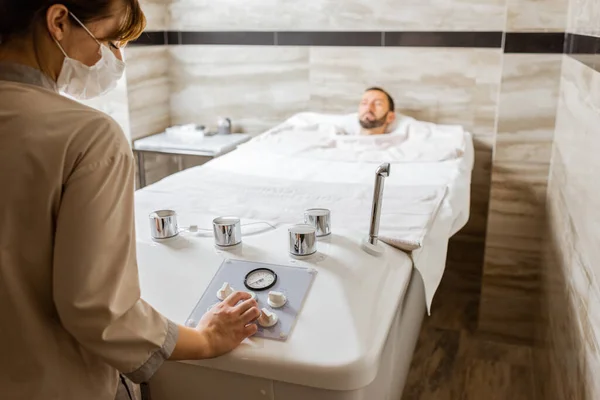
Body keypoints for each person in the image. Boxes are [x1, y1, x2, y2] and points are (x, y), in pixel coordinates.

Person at [0, 1, 260, 399]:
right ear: (58, 21)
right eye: (109, 41)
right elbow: (98, 310)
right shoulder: (86, 136)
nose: (116, 59)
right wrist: (206, 339)